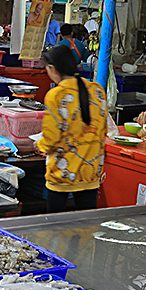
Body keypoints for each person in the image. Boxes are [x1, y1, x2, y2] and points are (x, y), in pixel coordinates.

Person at [36, 43, 109, 212]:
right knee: (85, 223)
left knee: (55, 225)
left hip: (62, 174)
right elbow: (102, 129)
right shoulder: (97, 91)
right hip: (91, 172)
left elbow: (51, 139)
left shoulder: (56, 95)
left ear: (52, 68)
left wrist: (39, 145)